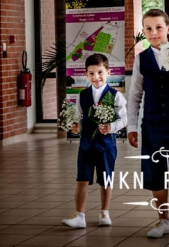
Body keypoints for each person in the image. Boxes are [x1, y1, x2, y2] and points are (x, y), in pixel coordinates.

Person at [127, 9, 169, 239]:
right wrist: (132, 126)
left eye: (158, 27)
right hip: (153, 124)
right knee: (154, 171)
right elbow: (135, 94)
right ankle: (163, 220)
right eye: (148, 28)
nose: (153, 32)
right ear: (144, 31)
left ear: (168, 29)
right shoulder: (141, 59)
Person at [61, 53, 127, 229]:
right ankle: (79, 215)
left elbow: (124, 119)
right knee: (82, 179)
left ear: (108, 72)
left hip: (106, 145)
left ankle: (104, 212)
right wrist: (76, 126)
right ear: (86, 74)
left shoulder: (115, 96)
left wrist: (111, 127)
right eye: (91, 73)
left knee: (106, 179)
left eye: (99, 72)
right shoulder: (82, 96)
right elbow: (80, 117)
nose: (96, 77)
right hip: (86, 145)